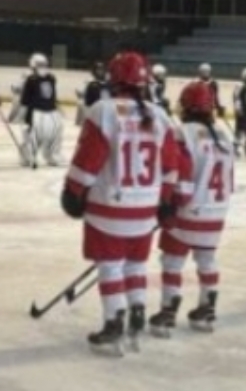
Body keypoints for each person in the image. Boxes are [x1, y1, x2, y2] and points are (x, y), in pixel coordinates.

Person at [61, 51, 180, 356]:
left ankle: (114, 323)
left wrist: (73, 192)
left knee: (110, 267)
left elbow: (88, 161)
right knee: (136, 264)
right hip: (146, 210)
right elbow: (171, 166)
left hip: (108, 209)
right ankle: (137, 314)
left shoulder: (103, 111)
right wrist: (166, 200)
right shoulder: (160, 115)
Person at [149, 81, 234, 337]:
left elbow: (182, 179)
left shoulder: (181, 133)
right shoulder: (224, 136)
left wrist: (168, 205)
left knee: (173, 261)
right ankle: (207, 309)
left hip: (188, 211)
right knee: (207, 260)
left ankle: (167, 313)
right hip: (217, 211)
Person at [19, 53, 62, 168]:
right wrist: (24, 114)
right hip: (34, 111)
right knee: (31, 135)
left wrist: (55, 107)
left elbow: (52, 95)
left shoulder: (51, 78)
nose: (42, 66)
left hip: (49, 111)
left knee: (51, 134)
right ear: (33, 65)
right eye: (39, 64)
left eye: (43, 64)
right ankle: (27, 156)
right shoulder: (30, 79)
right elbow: (25, 99)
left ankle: (51, 156)